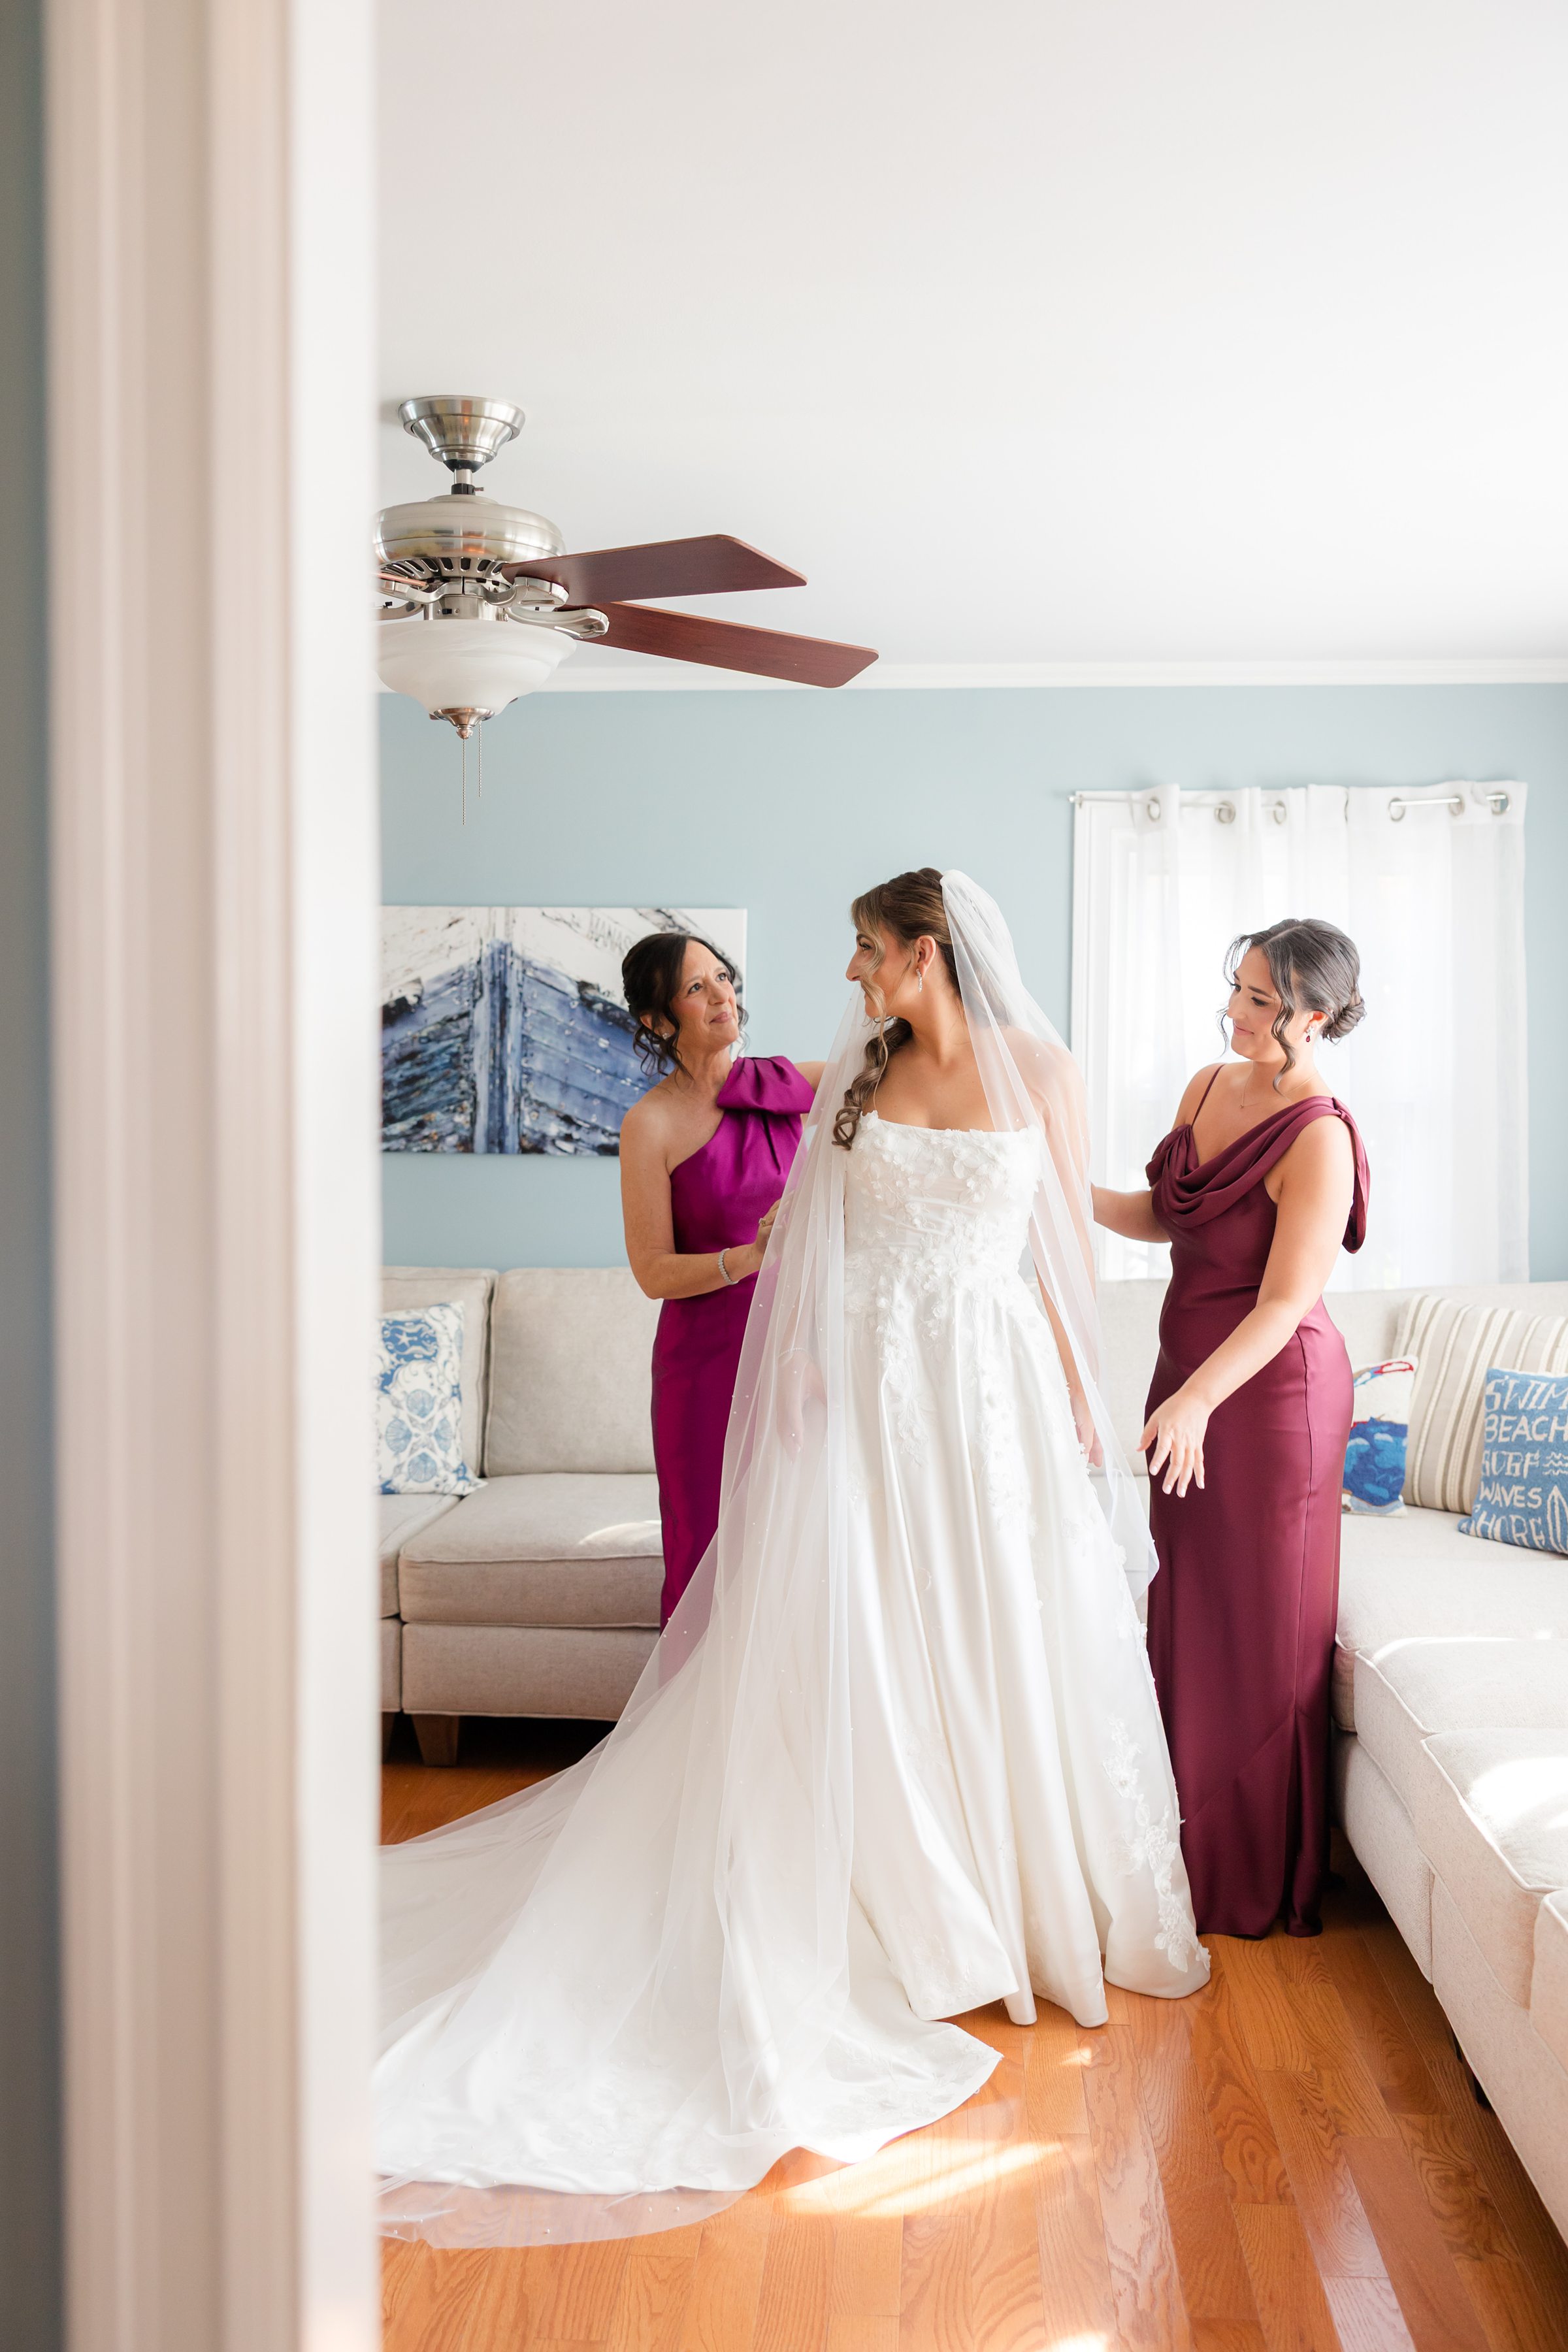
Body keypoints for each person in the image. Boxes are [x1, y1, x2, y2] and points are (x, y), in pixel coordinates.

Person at [378, 870, 1205, 2246]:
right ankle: (891, 1902)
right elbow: (807, 1250)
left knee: (999, 1623)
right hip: (874, 1392)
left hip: (986, 1387)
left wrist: (1082, 1398)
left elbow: (1063, 1244)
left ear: (925, 953)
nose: (852, 975)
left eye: (868, 952)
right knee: (864, 1631)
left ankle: (1015, 1904)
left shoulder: (1043, 1069)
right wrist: (813, 1365)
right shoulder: (855, 1079)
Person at [1093, 918, 1369, 1938]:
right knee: (1190, 1611)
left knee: (1262, 1630)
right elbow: (1165, 1216)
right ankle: (1180, 1852)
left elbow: (1285, 1301)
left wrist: (1198, 1399)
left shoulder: (1323, 1134)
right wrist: (1055, 1192)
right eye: (1238, 991)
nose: (1238, 1012)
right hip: (1191, 1378)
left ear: (1317, 1013)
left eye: (1262, 1001)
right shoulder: (1209, 1087)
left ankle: (1255, 1872)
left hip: (1272, 1397)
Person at [618, 931, 822, 1622]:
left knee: (801, 1554)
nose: (722, 995)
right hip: (704, 1369)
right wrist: (746, 1259)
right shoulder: (649, 1125)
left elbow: (894, 1069)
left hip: (802, 1359)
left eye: (723, 977)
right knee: (708, 1553)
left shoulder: (788, 1084)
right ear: (657, 1020)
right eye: (696, 987)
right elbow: (651, 1271)